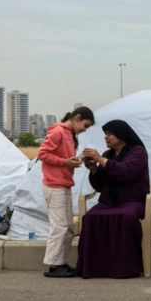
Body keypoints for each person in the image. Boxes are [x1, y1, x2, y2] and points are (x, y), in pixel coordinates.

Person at [77, 120, 150, 278]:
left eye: (110, 134)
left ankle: (125, 269)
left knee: (127, 217)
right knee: (89, 218)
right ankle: (96, 269)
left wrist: (101, 161)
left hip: (133, 201)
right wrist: (94, 169)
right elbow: (99, 185)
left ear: (122, 135)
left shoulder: (138, 151)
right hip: (109, 201)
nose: (106, 137)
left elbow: (126, 172)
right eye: (105, 134)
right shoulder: (107, 155)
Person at [37, 106, 95, 278]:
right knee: (60, 226)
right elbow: (43, 153)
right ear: (77, 117)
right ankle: (54, 265)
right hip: (54, 185)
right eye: (85, 125)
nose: (84, 130)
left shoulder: (70, 134)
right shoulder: (58, 132)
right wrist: (65, 162)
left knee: (68, 227)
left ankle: (61, 262)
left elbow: (61, 157)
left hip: (63, 184)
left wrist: (76, 160)